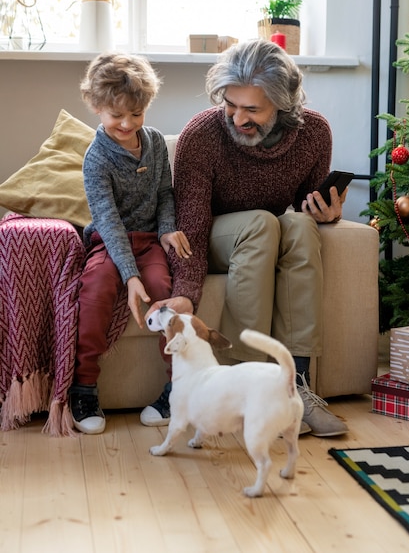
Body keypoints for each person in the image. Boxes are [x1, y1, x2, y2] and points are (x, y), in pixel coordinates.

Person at [142, 38, 348, 437]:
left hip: (265, 235)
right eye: (230, 105)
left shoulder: (314, 132)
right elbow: (192, 226)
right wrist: (186, 293)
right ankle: (242, 385)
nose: (237, 119)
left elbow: (304, 206)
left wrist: (328, 215)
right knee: (261, 222)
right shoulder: (202, 136)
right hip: (218, 237)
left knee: (299, 225)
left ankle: (295, 387)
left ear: (283, 105)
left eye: (252, 109)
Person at [69, 53, 191, 434]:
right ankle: (84, 386)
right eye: (115, 115)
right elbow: (106, 220)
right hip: (110, 242)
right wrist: (127, 275)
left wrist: (168, 228)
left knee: (162, 290)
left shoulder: (154, 143)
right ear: (95, 107)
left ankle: (178, 388)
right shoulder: (96, 159)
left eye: (135, 115)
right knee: (95, 290)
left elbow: (167, 193)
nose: (126, 124)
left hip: (150, 241)